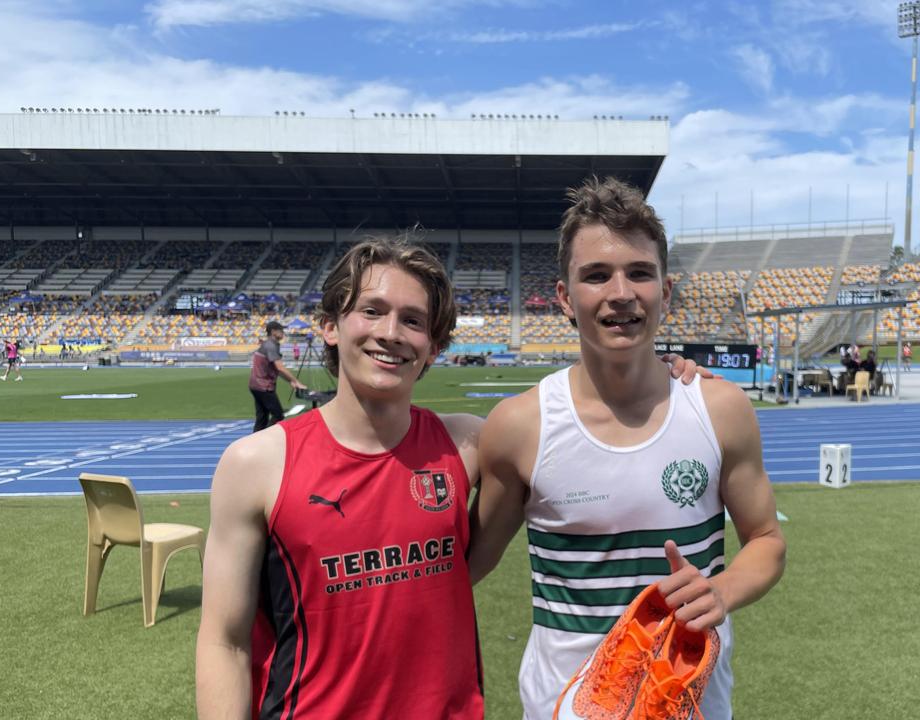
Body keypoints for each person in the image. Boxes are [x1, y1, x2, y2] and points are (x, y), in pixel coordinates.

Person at [197, 237, 706, 720]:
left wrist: (656, 368)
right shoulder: (257, 465)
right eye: (372, 311)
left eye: (413, 321)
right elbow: (225, 640)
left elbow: (580, 428)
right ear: (330, 325)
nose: (391, 333)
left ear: (433, 346)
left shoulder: (466, 445)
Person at [469, 177, 786, 719]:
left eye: (640, 272)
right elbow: (466, 565)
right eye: (596, 275)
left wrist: (723, 591)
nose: (621, 293)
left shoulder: (719, 408)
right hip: (561, 706)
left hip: (690, 705)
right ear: (566, 298)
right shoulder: (521, 424)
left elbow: (766, 540)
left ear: (665, 291)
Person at [247, 320, 306, 432]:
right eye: (281, 330)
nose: (283, 333)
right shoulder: (271, 345)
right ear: (273, 331)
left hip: (255, 385)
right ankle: (265, 438)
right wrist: (297, 382)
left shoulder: (269, 344)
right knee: (278, 415)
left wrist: (290, 381)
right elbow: (280, 367)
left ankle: (256, 441)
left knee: (262, 417)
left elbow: (275, 369)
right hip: (263, 386)